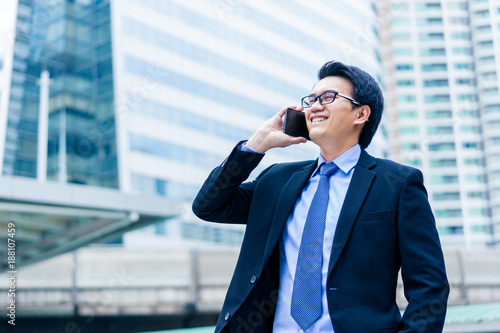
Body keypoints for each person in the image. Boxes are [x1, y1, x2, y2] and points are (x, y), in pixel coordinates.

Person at [192, 60, 449, 333]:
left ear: (361, 114)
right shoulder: (276, 180)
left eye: (328, 97)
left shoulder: (397, 184)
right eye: (311, 99)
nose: (314, 106)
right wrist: (258, 143)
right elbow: (208, 206)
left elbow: (429, 286)